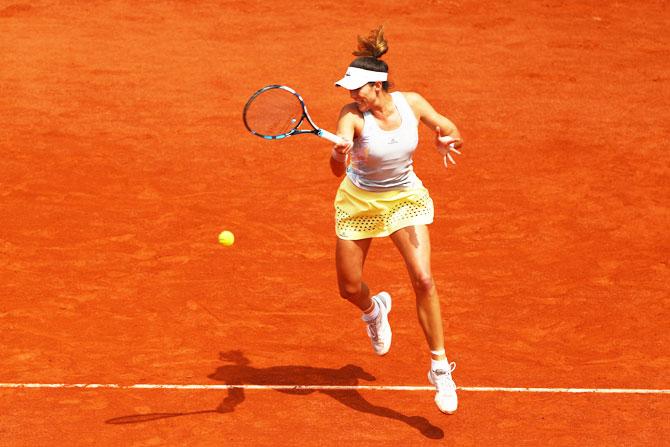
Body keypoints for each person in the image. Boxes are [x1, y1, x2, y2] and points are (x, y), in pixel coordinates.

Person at [330, 26, 463, 414]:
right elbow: (336, 172)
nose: (352, 95)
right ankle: (375, 311)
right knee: (349, 288)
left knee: (423, 278)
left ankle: (440, 369)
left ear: (378, 85)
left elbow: (452, 130)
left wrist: (445, 139)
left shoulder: (412, 104)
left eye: (358, 89)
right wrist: (340, 154)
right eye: (350, 90)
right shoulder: (351, 117)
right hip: (359, 202)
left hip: (405, 198)